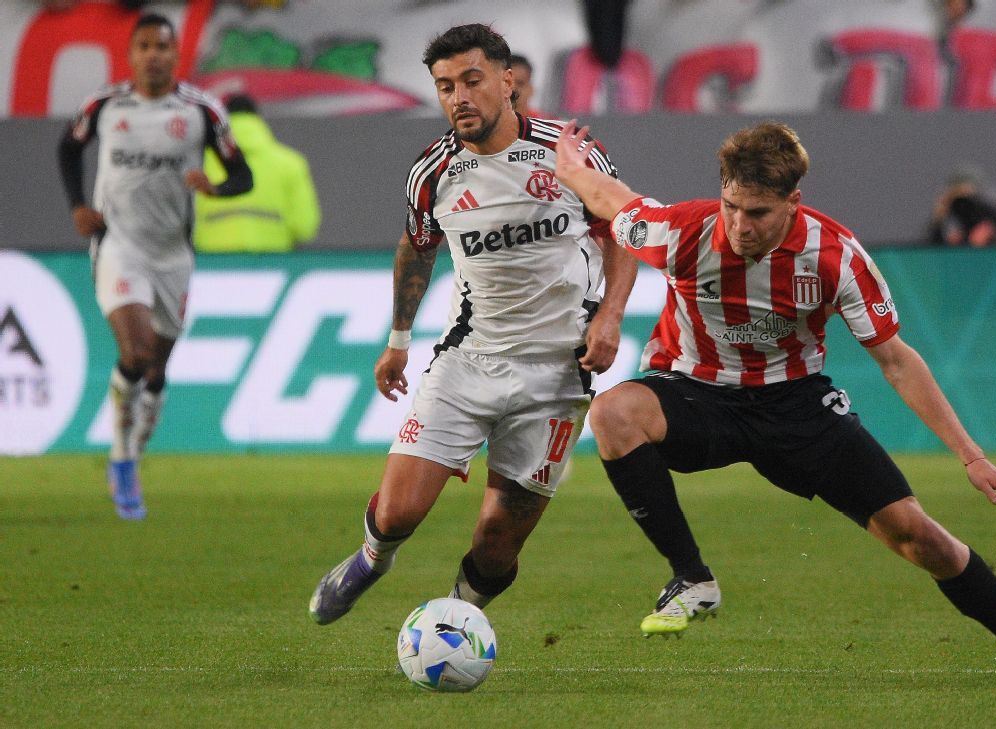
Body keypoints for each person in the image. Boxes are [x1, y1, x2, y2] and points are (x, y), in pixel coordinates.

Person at [553, 119, 996, 687]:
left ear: (793, 203)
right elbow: (612, 199)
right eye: (731, 205)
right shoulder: (682, 230)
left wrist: (970, 455)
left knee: (920, 538)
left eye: (757, 213)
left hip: (795, 406)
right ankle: (692, 578)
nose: (739, 225)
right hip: (697, 395)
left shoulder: (834, 256)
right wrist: (573, 168)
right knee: (613, 412)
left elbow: (897, 361)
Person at [308, 24, 636, 624]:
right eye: (444, 86)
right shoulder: (433, 172)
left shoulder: (567, 154)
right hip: (468, 361)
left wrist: (610, 317)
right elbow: (417, 245)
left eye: (471, 80)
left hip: (559, 375)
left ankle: (452, 623)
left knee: (497, 542)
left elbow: (624, 225)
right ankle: (371, 559)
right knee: (398, 514)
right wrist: (397, 341)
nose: (458, 96)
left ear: (507, 82)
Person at [56, 13, 252, 520]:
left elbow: (241, 175)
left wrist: (216, 187)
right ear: (131, 54)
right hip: (119, 245)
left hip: (172, 253)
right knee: (136, 351)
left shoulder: (201, 111)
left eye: (162, 46)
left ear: (175, 53)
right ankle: (121, 460)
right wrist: (78, 204)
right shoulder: (104, 105)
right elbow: (68, 148)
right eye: (143, 46)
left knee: (158, 367)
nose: (153, 55)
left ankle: (135, 449)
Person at [193, 94, 320, 253]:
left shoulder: (200, 163)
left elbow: (181, 222)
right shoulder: (291, 164)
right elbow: (305, 226)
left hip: (213, 266)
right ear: (258, 120)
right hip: (272, 264)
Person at [927, 166, 996, 246]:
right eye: (958, 204)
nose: (966, 209)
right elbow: (930, 252)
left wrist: (991, 231)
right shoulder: (956, 238)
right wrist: (938, 221)